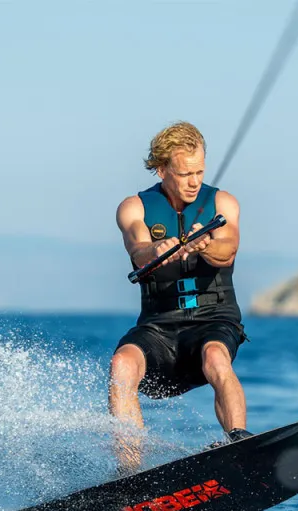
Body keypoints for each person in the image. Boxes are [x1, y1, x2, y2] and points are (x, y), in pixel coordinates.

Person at [109, 122, 251, 472]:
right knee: (121, 364)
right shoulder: (134, 207)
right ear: (162, 169)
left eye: (200, 172)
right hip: (160, 326)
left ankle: (239, 440)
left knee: (217, 356)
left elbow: (228, 250)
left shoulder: (222, 202)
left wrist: (205, 245)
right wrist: (158, 248)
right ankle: (130, 473)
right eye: (185, 173)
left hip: (213, 319)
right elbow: (138, 249)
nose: (194, 181)